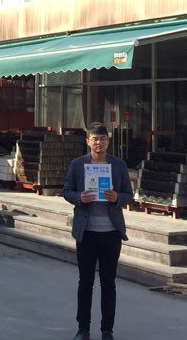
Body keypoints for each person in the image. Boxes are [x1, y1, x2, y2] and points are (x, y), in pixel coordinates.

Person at [63, 123, 133, 340]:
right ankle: (83, 328)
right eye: (95, 139)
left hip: (111, 233)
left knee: (108, 283)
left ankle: (107, 330)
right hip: (86, 233)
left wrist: (117, 198)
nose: (99, 143)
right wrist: (79, 197)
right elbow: (66, 191)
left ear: (108, 141)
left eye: (103, 139)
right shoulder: (78, 164)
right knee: (85, 282)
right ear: (88, 141)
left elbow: (129, 194)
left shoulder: (118, 165)